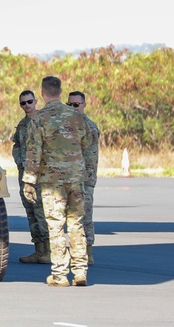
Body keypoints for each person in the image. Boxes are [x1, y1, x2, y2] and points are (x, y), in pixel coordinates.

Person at [22, 76, 93, 287]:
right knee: (76, 223)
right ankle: (80, 271)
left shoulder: (39, 119)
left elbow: (34, 152)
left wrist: (28, 180)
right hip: (75, 179)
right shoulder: (77, 117)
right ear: (60, 93)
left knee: (55, 225)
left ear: (42, 94)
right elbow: (87, 144)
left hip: (52, 182)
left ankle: (60, 274)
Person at [14, 89, 50, 264]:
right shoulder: (22, 125)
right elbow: (17, 146)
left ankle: (49, 251)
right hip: (25, 175)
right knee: (31, 213)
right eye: (23, 103)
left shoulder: (43, 121)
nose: (27, 105)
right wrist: (21, 162)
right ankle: (38, 249)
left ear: (36, 101)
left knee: (42, 212)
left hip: (40, 176)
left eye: (29, 102)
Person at [68, 90, 100, 265]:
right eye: (69, 104)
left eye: (76, 105)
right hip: (72, 178)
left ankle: (88, 252)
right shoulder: (71, 125)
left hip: (85, 179)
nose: (72, 108)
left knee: (85, 216)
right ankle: (76, 252)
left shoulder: (88, 126)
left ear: (84, 105)